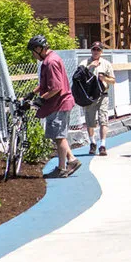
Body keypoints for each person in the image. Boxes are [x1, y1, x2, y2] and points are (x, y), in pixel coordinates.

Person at [29, 35, 81, 179]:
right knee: (58, 136)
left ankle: (64, 166)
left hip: (59, 103)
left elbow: (56, 88)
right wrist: (32, 93)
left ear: (39, 49)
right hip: (60, 103)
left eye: (33, 52)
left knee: (59, 137)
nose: (33, 55)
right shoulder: (51, 59)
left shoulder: (50, 62)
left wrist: (41, 99)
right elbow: (47, 83)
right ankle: (70, 162)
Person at [84, 42, 115, 156]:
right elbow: (79, 76)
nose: (96, 51)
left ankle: (103, 145)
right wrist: (90, 67)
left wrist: (104, 78)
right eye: (94, 49)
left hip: (103, 96)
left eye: (98, 50)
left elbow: (113, 80)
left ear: (101, 51)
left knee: (103, 120)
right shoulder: (85, 62)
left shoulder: (106, 64)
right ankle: (92, 142)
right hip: (90, 97)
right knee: (90, 122)